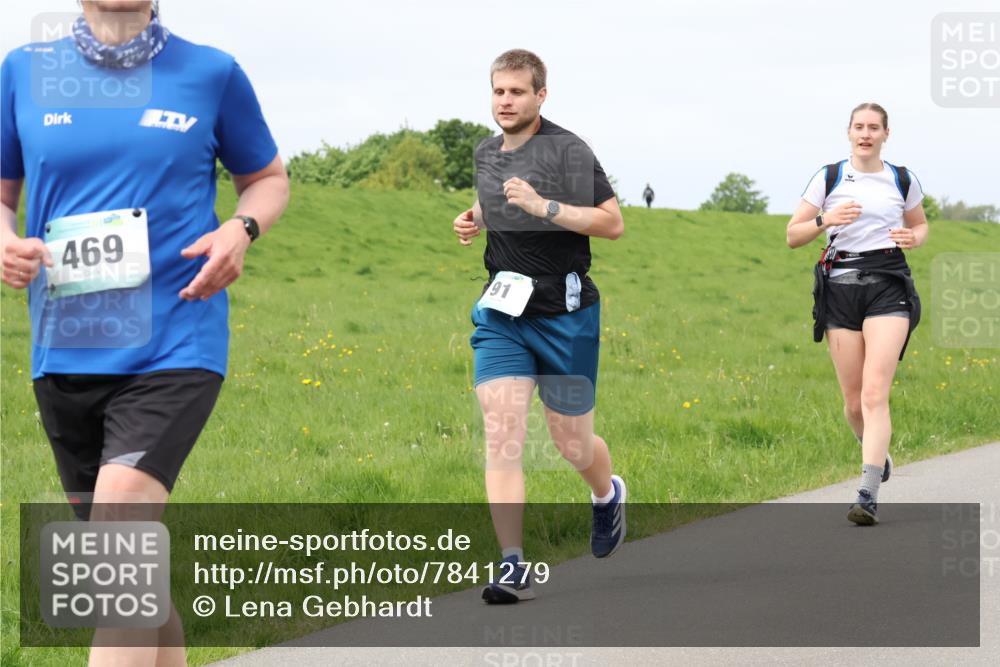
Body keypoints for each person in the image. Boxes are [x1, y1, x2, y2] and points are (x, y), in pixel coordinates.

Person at [1, 1, 288, 663]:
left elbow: (268, 179)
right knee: (132, 576)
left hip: (175, 340)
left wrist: (239, 229)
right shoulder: (22, 71)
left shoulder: (211, 72)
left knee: (115, 548)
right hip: (64, 349)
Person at [452, 49, 626, 604]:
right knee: (502, 433)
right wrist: (472, 217)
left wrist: (544, 206)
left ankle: (606, 494)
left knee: (571, 443)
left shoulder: (568, 150)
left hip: (565, 315)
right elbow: (495, 197)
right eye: (498, 91)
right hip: (503, 313)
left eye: (517, 92)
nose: (506, 101)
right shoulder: (486, 152)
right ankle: (512, 565)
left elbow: (611, 222)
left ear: (540, 95)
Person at [786, 102, 928, 526]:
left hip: (888, 284)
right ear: (848, 132)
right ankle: (876, 453)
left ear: (886, 134)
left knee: (873, 393)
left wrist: (914, 238)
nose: (866, 134)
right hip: (840, 287)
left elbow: (920, 225)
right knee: (852, 404)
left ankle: (867, 493)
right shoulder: (828, 177)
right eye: (859, 127)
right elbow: (793, 235)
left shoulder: (902, 178)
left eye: (874, 128)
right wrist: (825, 219)